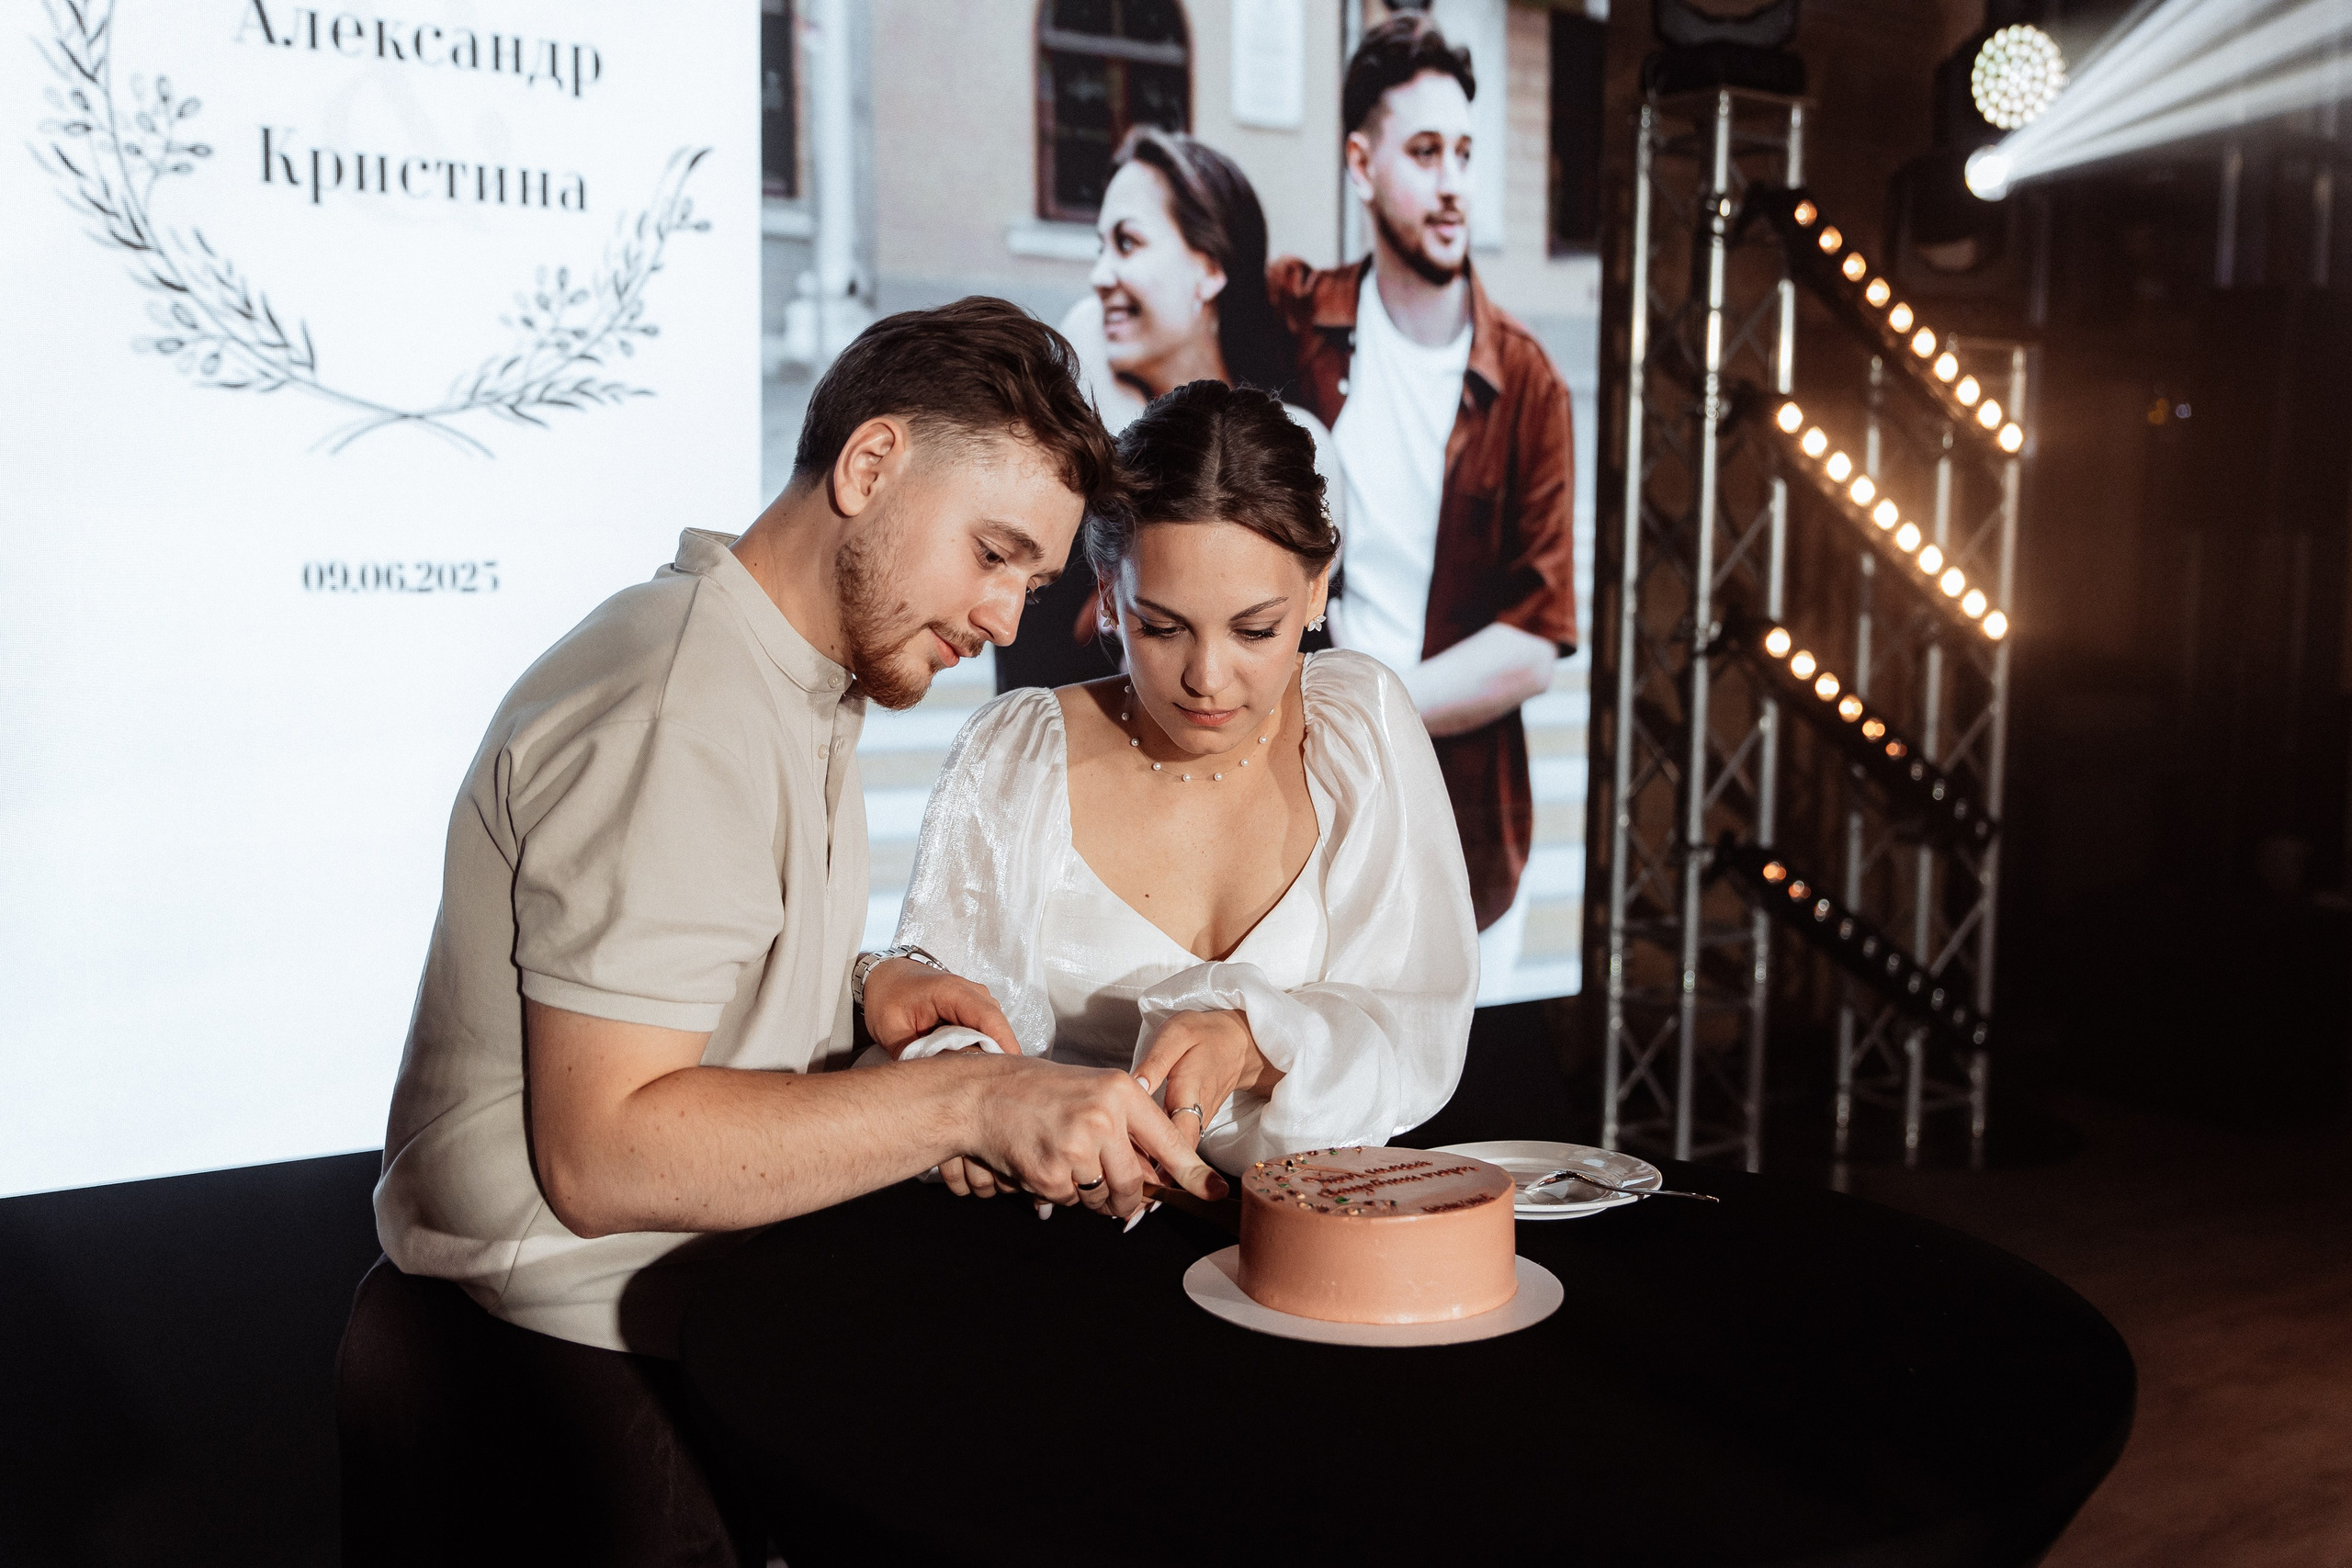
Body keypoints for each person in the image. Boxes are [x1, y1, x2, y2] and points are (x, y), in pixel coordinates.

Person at [353, 299, 1226, 1565]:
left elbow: (666, 983)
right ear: (869, 467)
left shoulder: (780, 671)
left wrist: (853, 991)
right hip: (537, 1389)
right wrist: (974, 1103)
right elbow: (607, 1151)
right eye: (992, 552)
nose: (1001, 616)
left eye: (1029, 581)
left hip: (602, 1357)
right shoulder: (687, 708)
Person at [878, 379, 1477, 1181]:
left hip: (1310, 1239)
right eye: (1162, 626)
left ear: (1317, 588)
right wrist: (966, 1089)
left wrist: (1258, 1042)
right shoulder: (1015, 755)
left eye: (1255, 630)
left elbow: (1418, 1026)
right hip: (1058, 1243)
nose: (1207, 677)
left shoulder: (1359, 725)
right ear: (1109, 598)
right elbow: (949, 1030)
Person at [1268, 14, 1578, 988]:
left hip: (1461, 834)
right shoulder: (1293, 320)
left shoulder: (1527, 381)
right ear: (1360, 165)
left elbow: (1531, 643)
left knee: (1454, 1125)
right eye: (1424, 152)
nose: (1452, 184)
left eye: (1465, 154)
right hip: (1298, 823)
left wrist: (1366, 707)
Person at [996, 126, 1343, 694]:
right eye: (1099, 249)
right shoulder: (1071, 442)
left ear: (1211, 268)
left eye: (1127, 244)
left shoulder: (1296, 454)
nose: (1100, 275)